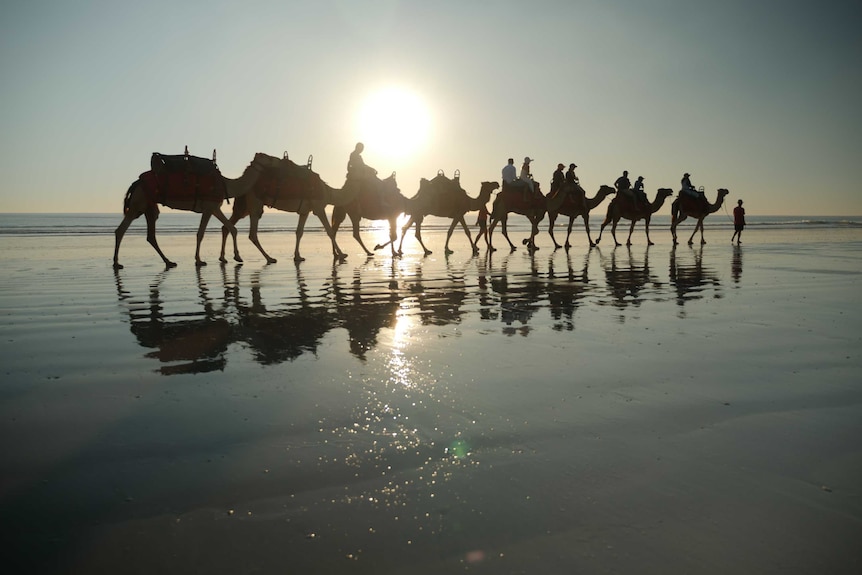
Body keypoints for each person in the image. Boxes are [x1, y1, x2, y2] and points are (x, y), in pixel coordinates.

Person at [347, 142, 387, 207]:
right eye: (361, 148)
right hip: (359, 175)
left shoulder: (356, 155)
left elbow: (363, 165)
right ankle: (382, 201)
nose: (362, 150)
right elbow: (360, 165)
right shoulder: (354, 155)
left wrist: (371, 168)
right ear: (358, 147)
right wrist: (370, 169)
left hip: (360, 173)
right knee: (378, 183)